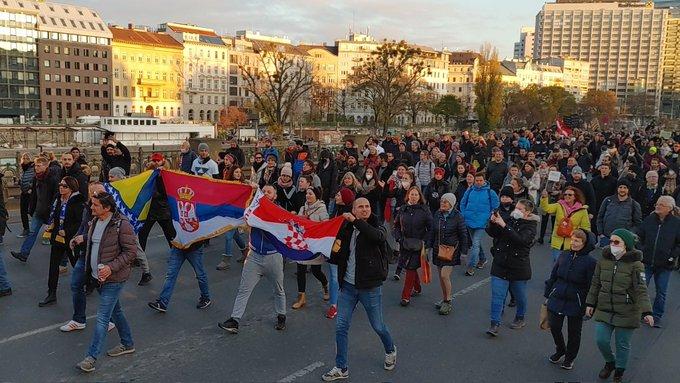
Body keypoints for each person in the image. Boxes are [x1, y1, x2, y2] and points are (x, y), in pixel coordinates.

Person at [321, 197, 396, 381]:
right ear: (353, 209)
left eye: (367, 206)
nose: (364, 209)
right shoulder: (346, 228)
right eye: (360, 207)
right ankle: (341, 367)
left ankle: (390, 349)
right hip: (347, 286)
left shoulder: (377, 225)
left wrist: (356, 221)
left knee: (378, 326)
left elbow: (376, 237)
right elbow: (338, 252)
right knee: (341, 327)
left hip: (369, 287)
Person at [76, 192, 137, 373]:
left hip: (114, 279)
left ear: (107, 207)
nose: (91, 207)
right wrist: (80, 239)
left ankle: (91, 358)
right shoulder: (95, 221)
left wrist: (111, 267)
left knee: (102, 318)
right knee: (116, 311)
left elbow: (131, 252)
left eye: (95, 205)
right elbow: (97, 242)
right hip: (98, 278)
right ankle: (128, 343)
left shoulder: (122, 225)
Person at [585, 229, 654, 383]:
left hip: (627, 311)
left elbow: (641, 289)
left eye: (616, 242)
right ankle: (610, 363)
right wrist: (590, 302)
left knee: (622, 344)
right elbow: (595, 283)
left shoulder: (636, 265)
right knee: (601, 340)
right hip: (605, 308)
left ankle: (619, 371)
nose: (612, 245)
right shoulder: (603, 260)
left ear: (626, 245)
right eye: (611, 241)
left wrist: (647, 311)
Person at [218, 185, 287, 334]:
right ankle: (234, 320)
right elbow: (243, 217)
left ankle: (281, 315)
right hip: (254, 257)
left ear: (275, 196)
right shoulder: (253, 209)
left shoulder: (279, 212)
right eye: (264, 191)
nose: (266, 193)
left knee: (278, 289)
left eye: (269, 192)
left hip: (273, 256)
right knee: (243, 289)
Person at [60, 182, 116, 333]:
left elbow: (106, 234)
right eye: (97, 194)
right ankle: (79, 320)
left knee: (104, 288)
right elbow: (84, 226)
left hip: (101, 256)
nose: (102, 197)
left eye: (103, 193)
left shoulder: (110, 212)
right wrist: (76, 237)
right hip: (85, 255)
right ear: (91, 196)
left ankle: (111, 320)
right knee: (76, 284)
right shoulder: (88, 209)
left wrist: (83, 238)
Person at [544, 229, 597, 370]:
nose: (572, 243)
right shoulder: (564, 255)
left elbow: (592, 284)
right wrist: (547, 294)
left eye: (577, 241)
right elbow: (554, 275)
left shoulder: (591, 262)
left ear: (584, 244)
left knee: (574, 332)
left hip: (577, 300)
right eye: (572, 240)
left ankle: (570, 358)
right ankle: (561, 349)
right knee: (554, 326)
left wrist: (590, 304)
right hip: (558, 295)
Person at [485, 199, 539, 336]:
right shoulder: (509, 219)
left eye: (520, 209)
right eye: (516, 208)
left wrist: (504, 225)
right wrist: (493, 222)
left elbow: (521, 240)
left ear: (527, 212)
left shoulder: (531, 227)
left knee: (520, 296)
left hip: (518, 267)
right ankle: (494, 323)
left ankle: (520, 317)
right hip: (500, 263)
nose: (516, 210)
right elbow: (493, 233)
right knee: (497, 295)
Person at [38, 176, 86, 307]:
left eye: (64, 186)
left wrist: (68, 231)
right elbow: (55, 215)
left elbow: (80, 222)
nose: (61, 187)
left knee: (76, 264)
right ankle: (51, 293)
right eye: (60, 184)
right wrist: (51, 224)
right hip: (58, 238)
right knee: (53, 266)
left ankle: (88, 284)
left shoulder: (78, 201)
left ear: (71, 188)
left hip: (70, 239)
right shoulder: (58, 199)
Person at [634, 196, 680, 328]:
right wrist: (641, 250)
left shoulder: (676, 223)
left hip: (665, 265)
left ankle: (656, 316)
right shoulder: (649, 220)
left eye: (661, 205)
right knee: (641, 287)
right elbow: (639, 236)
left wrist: (672, 256)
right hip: (646, 262)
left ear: (669, 208)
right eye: (657, 204)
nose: (657, 206)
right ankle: (641, 313)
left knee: (661, 291)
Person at [11, 156, 60, 263]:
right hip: (38, 211)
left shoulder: (53, 178)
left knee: (57, 235)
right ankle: (24, 254)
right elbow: (34, 195)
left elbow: (56, 196)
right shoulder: (36, 178)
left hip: (49, 212)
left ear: (46, 166)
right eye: (35, 166)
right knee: (32, 232)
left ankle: (62, 258)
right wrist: (31, 209)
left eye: (39, 166)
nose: (36, 168)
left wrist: (52, 210)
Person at [148, 237, 212, 312]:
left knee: (200, 275)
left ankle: (205, 297)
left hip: (194, 249)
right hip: (178, 247)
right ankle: (162, 303)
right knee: (171, 275)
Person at [429, 193, 468, 315]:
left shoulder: (458, 216)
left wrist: (464, 253)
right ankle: (444, 298)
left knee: (445, 275)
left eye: (445, 202)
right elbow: (432, 232)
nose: (442, 204)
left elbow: (463, 235)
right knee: (441, 276)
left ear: (451, 204)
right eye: (441, 202)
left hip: (451, 251)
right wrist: (427, 247)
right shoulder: (437, 214)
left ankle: (448, 301)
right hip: (438, 249)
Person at [394, 186, 433, 306]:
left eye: (416, 195)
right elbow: (396, 226)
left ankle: (405, 296)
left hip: (418, 244)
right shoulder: (403, 209)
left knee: (410, 268)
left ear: (420, 196)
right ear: (408, 196)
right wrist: (399, 238)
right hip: (405, 243)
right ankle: (417, 287)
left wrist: (425, 241)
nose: (414, 197)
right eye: (412, 194)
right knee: (410, 266)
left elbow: (431, 228)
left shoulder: (425, 210)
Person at [292, 187, 330, 310]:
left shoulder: (321, 209)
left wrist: (310, 222)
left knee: (316, 271)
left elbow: (326, 225)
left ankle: (325, 285)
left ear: (316, 196)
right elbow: (297, 224)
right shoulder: (303, 208)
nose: (307, 196)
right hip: (303, 244)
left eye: (310, 194)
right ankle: (301, 297)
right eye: (307, 194)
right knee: (301, 270)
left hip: (314, 245)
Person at [460, 173, 500, 276]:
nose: (478, 182)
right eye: (476, 180)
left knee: (475, 244)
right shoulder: (469, 190)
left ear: (484, 181)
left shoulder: (489, 192)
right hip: (469, 220)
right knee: (475, 242)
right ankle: (482, 259)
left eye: (480, 180)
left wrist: (489, 215)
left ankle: (470, 266)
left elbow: (496, 205)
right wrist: (464, 214)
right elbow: (462, 203)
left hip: (482, 222)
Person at [540, 186, 591, 262]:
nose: (567, 196)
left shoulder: (582, 210)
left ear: (575, 197)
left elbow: (586, 227)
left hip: (572, 243)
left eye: (570, 195)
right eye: (565, 194)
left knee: (568, 266)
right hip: (557, 241)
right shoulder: (559, 205)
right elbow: (546, 208)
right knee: (558, 264)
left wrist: (582, 241)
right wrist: (544, 197)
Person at [596, 180, 642, 247]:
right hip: (606, 238)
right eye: (620, 187)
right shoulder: (608, 200)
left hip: (622, 241)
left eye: (625, 188)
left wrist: (628, 235)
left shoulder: (634, 204)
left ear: (628, 190)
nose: (622, 190)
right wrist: (601, 234)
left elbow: (637, 224)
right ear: (617, 188)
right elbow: (600, 217)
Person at [18, 152, 35, 238]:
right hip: (23, 193)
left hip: (30, 193)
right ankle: (26, 229)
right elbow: (21, 179)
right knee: (23, 212)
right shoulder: (22, 169)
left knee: (33, 212)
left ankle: (37, 229)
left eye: (27, 158)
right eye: (24, 158)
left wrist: (31, 188)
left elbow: (35, 179)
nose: (25, 160)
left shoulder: (33, 168)